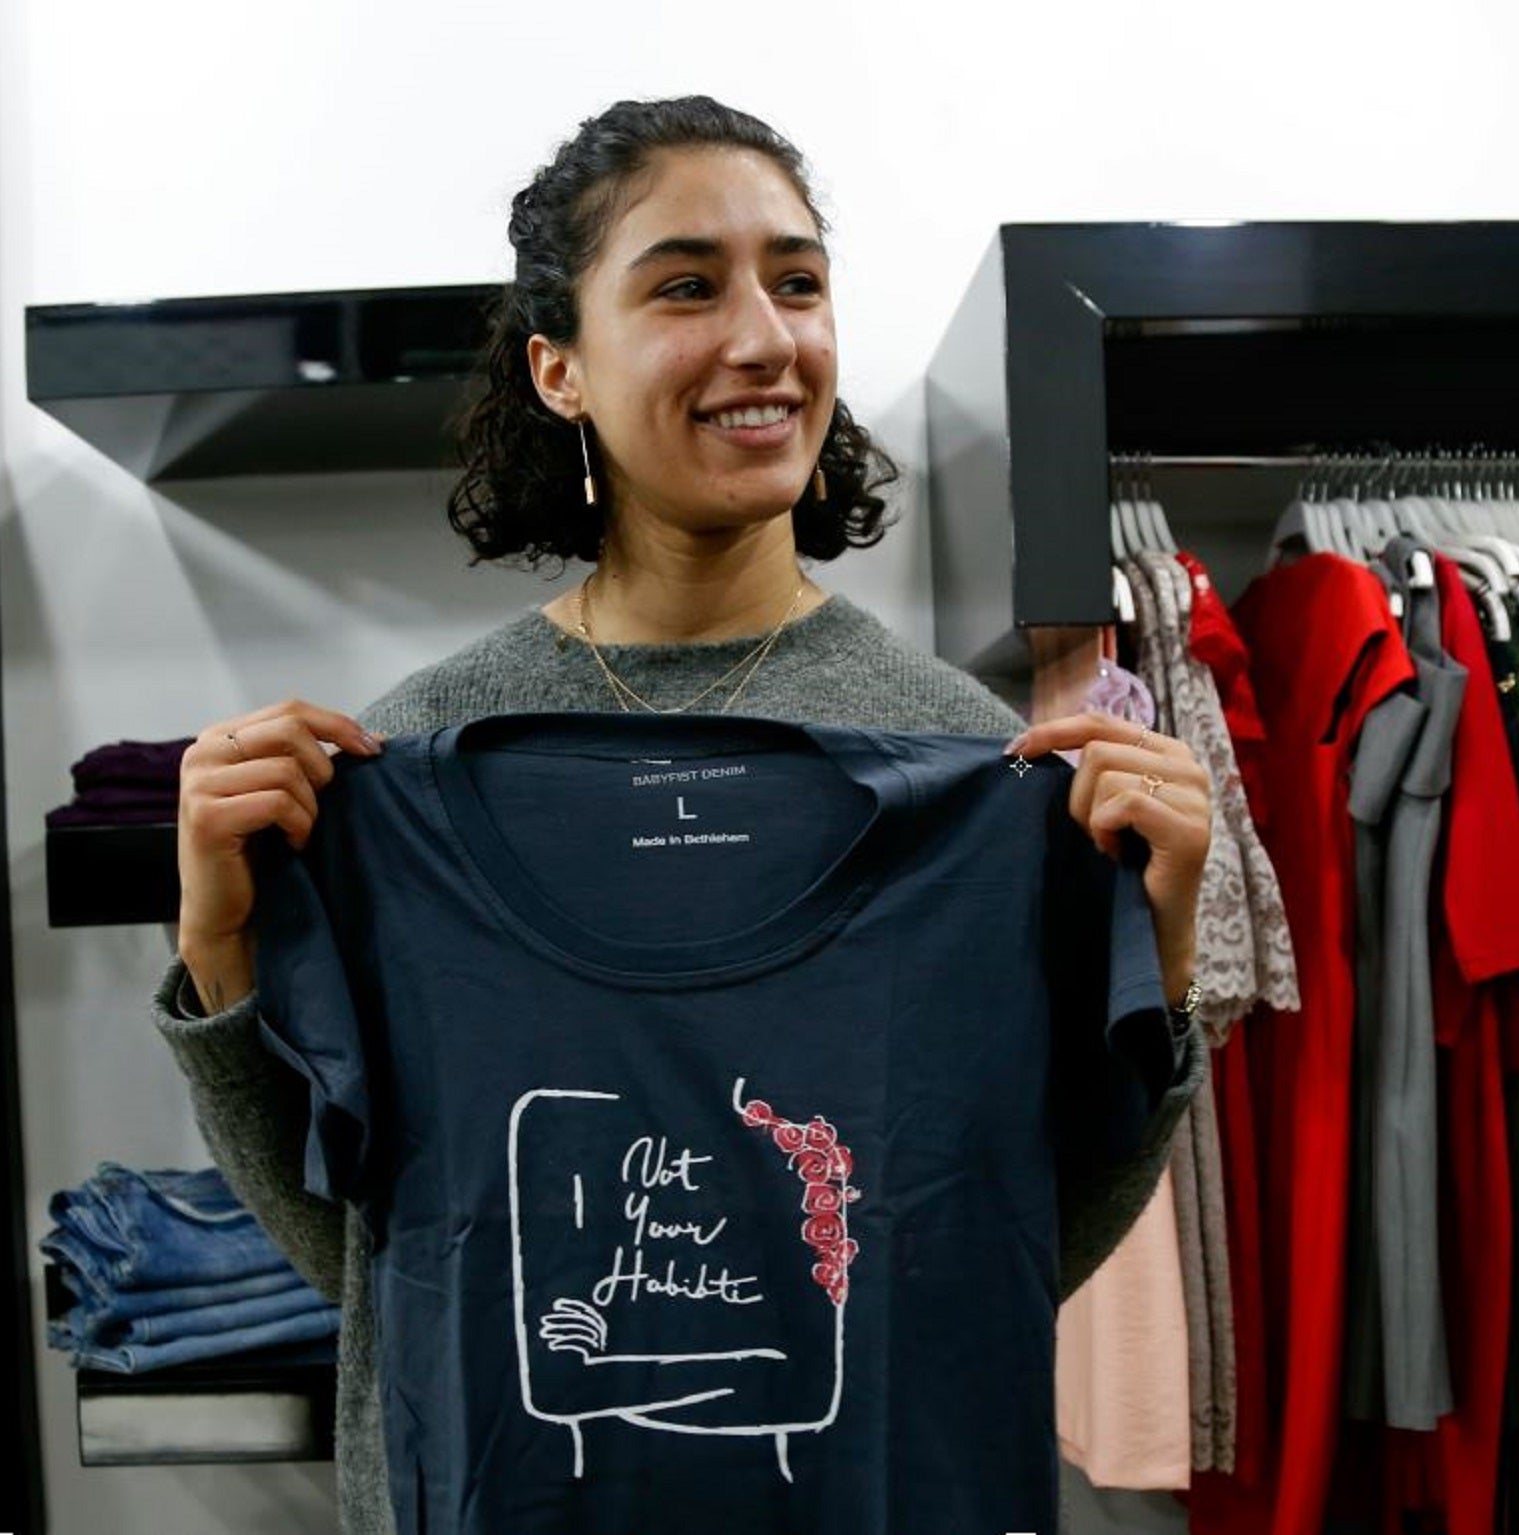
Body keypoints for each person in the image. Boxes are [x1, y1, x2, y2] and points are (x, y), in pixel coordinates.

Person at [155, 96, 1210, 1532]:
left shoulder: (977, 766)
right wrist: (221, 949)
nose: (764, 338)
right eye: (684, 286)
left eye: (797, 279)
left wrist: (1158, 954)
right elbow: (382, 1263)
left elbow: (993, 1256)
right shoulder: (403, 760)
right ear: (560, 368)